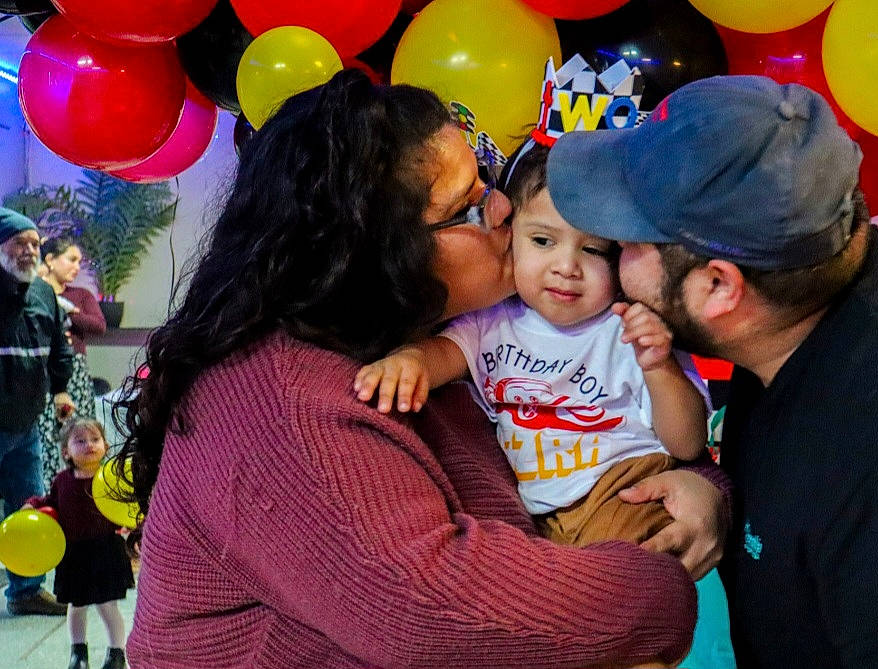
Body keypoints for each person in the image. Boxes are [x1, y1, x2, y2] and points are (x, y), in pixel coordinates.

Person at [113, 69, 730, 669]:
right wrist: (662, 582)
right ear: (377, 250)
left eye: (488, 179)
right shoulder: (276, 402)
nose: (503, 210)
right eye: (468, 208)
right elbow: (429, 609)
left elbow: (621, 438)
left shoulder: (431, 342)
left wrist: (702, 489)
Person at [545, 75, 878, 668]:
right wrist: (722, 496)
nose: (611, 250)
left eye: (629, 241)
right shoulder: (803, 296)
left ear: (718, 287)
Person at [355, 140, 708, 548]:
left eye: (593, 250)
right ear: (511, 237)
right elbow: (444, 355)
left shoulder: (630, 329)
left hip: (623, 488)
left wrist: (659, 367)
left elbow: (687, 443)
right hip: (540, 517)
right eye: (542, 241)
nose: (566, 267)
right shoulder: (492, 318)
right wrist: (410, 362)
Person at [0, 208, 75, 616]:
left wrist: (60, 389)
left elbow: (59, 348)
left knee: (28, 506)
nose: (30, 250)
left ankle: (26, 590)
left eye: (35, 243)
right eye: (20, 243)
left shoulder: (44, 293)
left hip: (26, 425)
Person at [25, 416, 133, 669]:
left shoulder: (110, 478)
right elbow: (50, 502)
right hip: (74, 554)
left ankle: (117, 653)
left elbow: (127, 505)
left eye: (95, 439)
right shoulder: (62, 480)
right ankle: (78, 653)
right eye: (80, 441)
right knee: (76, 606)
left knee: (108, 606)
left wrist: (131, 524)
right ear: (66, 452)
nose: (89, 445)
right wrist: (32, 504)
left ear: (105, 446)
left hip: (106, 550)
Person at [38, 237, 108, 485]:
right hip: (44, 372)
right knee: (45, 437)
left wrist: (68, 310)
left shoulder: (80, 295)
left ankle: (84, 490)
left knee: (82, 432)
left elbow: (99, 325)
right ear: (50, 260)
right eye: (71, 259)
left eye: (79, 261)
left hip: (75, 372)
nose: (77, 267)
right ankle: (48, 493)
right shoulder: (36, 293)